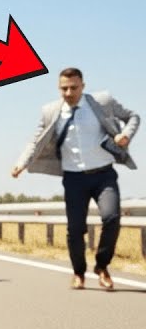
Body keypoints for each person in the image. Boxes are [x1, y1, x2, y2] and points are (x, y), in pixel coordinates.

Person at [10, 67, 138, 290]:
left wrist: (125, 135)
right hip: (74, 178)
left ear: (83, 86)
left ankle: (102, 266)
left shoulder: (102, 102)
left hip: (104, 174)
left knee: (111, 218)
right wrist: (21, 163)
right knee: (75, 228)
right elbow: (35, 141)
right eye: (64, 88)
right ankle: (78, 272)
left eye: (73, 88)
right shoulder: (51, 111)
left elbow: (132, 116)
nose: (68, 93)